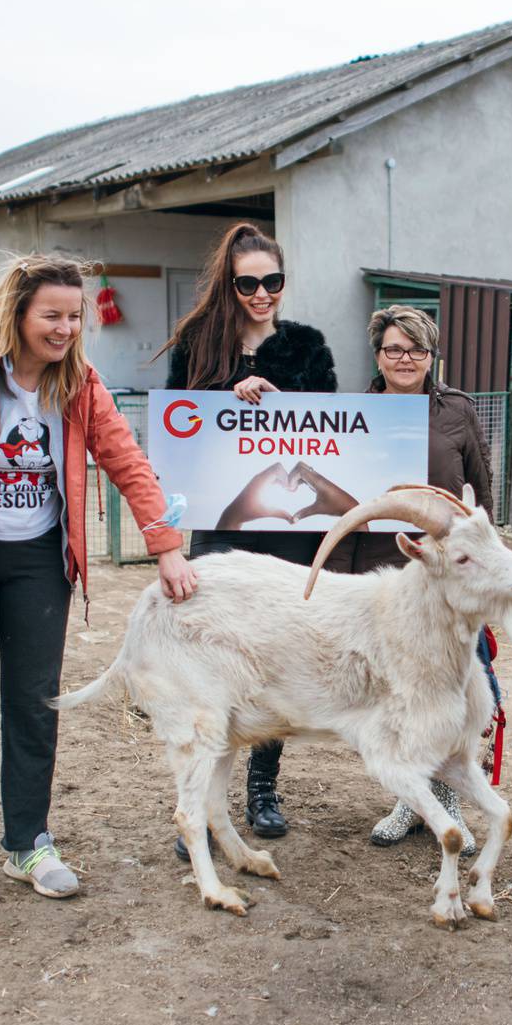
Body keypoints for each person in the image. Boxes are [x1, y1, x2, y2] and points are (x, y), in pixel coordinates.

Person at [0, 254, 197, 920]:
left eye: (74, 315)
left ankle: (28, 841)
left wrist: (167, 547)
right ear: (18, 314)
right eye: (51, 315)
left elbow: (127, 460)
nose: (64, 328)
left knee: (35, 705)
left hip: (38, 560)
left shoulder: (80, 383)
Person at [163, 221, 337, 849]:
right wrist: (224, 395)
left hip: (289, 523)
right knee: (212, 664)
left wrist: (280, 399)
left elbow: (332, 428)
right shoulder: (197, 343)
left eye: (273, 282)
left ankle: (262, 788)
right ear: (228, 284)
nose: (261, 294)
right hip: (220, 521)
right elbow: (177, 421)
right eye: (248, 284)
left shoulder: (308, 346)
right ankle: (200, 805)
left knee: (273, 658)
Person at [334, 306, 498, 855]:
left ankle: (444, 801)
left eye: (417, 350)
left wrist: (486, 562)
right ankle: (411, 798)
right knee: (400, 695)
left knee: (451, 691)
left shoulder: (456, 412)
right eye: (394, 350)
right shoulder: (354, 413)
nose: (405, 360)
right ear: (377, 356)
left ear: (432, 356)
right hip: (382, 576)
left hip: (443, 577)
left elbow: (482, 488)